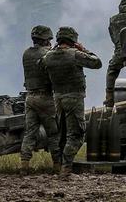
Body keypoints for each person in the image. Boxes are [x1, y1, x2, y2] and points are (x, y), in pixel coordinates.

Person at [41, 26, 102, 175]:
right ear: (73, 41)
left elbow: (41, 66)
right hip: (74, 98)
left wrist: (53, 50)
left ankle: (60, 164)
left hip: (58, 99)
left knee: (61, 134)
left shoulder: (48, 56)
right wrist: (84, 49)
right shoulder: (75, 54)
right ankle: (66, 167)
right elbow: (97, 63)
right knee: (76, 134)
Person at [20, 25, 61, 174]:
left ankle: (24, 165)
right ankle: (57, 166)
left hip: (30, 97)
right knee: (53, 133)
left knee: (30, 133)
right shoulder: (48, 53)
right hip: (45, 97)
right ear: (46, 40)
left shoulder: (26, 53)